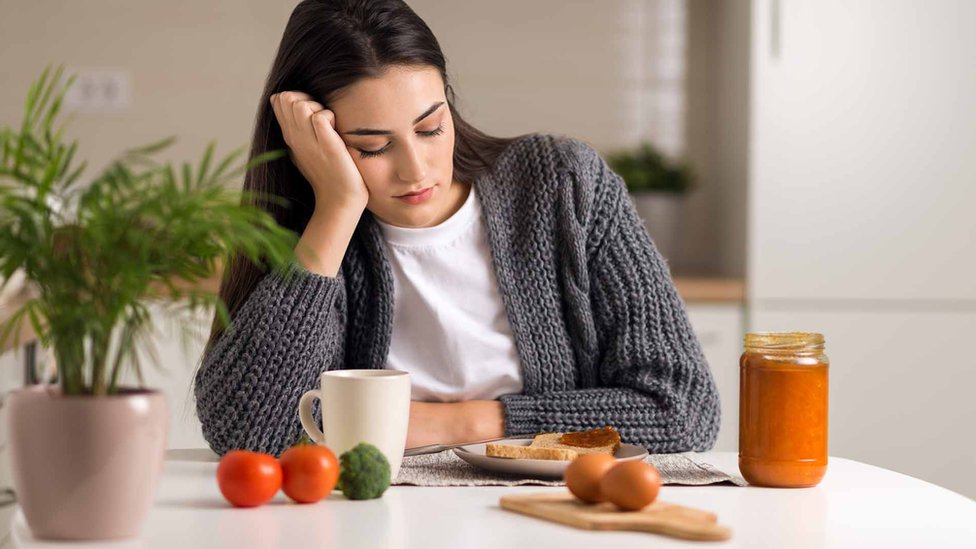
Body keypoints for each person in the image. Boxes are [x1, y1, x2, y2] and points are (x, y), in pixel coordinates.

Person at [194, 0, 720, 457]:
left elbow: (681, 409)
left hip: (554, 514)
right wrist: (336, 208)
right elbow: (249, 433)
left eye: (430, 127)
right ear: (315, 144)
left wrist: (459, 423)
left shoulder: (562, 184)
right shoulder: (309, 234)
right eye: (372, 146)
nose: (416, 170)